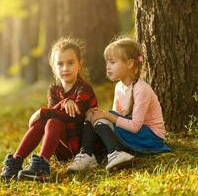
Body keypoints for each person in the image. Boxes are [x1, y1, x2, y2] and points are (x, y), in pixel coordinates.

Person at [0, 37, 97, 181]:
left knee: (52, 121)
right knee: (49, 120)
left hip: (83, 151)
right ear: (54, 67)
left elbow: (74, 116)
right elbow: (53, 113)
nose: (65, 68)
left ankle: (41, 166)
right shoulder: (54, 90)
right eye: (60, 64)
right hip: (63, 150)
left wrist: (41, 111)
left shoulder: (84, 88)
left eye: (70, 63)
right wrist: (63, 103)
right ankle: (16, 162)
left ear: (80, 65)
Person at [68, 37, 171, 172]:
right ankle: (87, 154)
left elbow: (134, 127)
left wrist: (105, 115)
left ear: (129, 64)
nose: (108, 66)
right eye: (107, 62)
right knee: (92, 113)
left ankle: (115, 153)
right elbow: (115, 119)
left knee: (102, 117)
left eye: (112, 62)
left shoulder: (141, 89)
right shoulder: (119, 87)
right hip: (135, 134)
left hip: (151, 138)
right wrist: (101, 116)